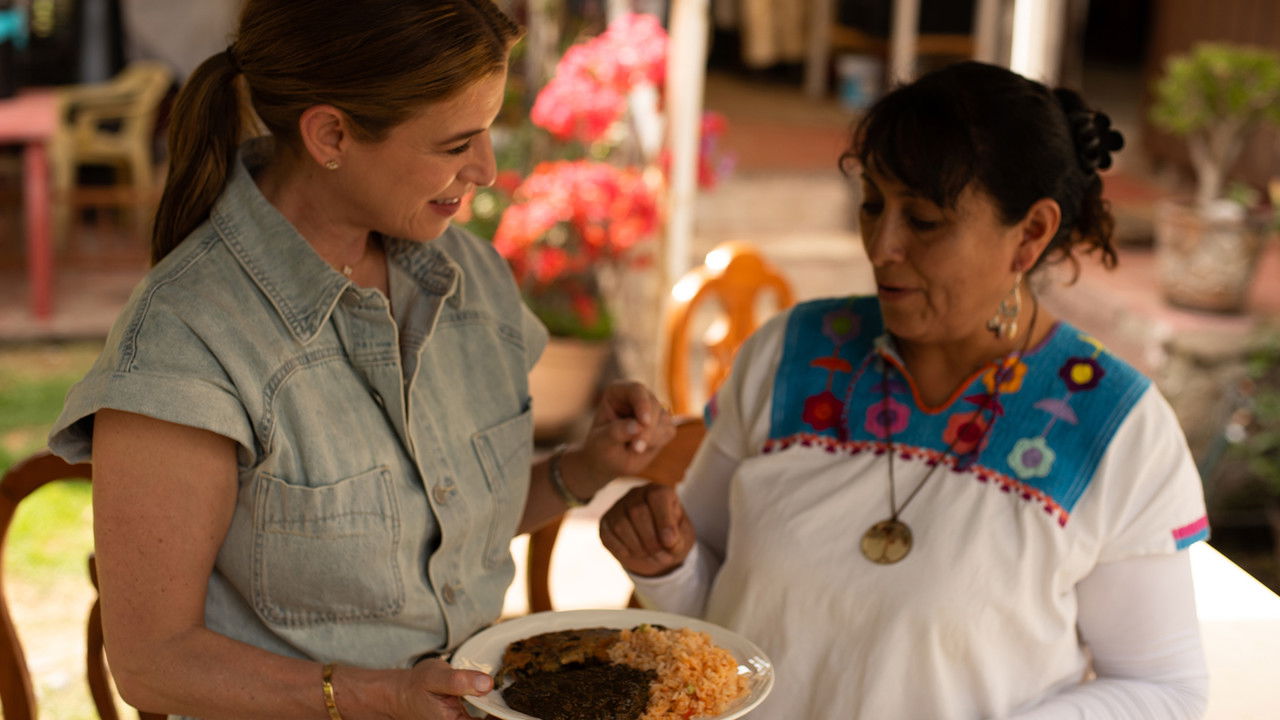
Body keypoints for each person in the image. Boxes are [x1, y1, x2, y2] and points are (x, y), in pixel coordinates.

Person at [47, 2, 674, 719]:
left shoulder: (469, 279)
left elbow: (438, 535)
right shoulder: (185, 341)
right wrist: (373, 696)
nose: (488, 170)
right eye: (455, 144)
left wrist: (582, 468)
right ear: (331, 134)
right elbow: (153, 664)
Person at [600, 61, 1210, 719]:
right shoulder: (791, 354)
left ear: (1030, 234)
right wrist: (666, 565)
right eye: (871, 205)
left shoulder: (1114, 425)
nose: (882, 245)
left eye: (923, 220)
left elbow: (1164, 691)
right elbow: (719, 617)